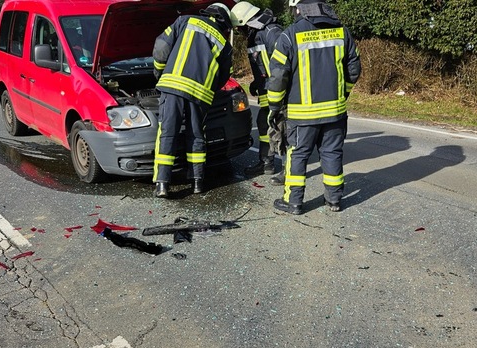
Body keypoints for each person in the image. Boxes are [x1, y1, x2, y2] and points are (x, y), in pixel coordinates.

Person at [266, 0, 361, 214]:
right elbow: (354, 69)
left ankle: (294, 202)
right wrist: (342, 93)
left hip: (302, 115)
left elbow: (279, 75)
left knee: (297, 155)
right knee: (332, 153)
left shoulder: (290, 34)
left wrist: (274, 105)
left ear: (299, 9)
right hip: (335, 112)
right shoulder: (341, 31)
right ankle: (334, 200)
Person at [151, 3, 234, 198]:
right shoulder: (225, 43)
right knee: (197, 136)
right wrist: (208, 88)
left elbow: (162, 47)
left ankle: (162, 184)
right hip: (200, 94)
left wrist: (158, 71)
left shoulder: (185, 20)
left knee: (167, 134)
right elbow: (223, 77)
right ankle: (197, 182)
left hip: (173, 86)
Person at [230, 1, 284, 179]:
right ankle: (266, 163)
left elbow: (283, 64)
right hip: (266, 91)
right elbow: (263, 63)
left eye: (240, 27)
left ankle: (289, 169)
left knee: (283, 127)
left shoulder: (271, 32)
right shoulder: (255, 35)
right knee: (263, 123)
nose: (239, 32)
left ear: (247, 21)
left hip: (279, 91)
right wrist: (256, 82)